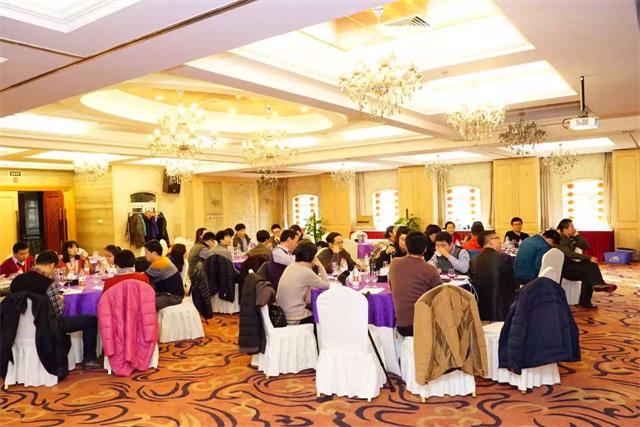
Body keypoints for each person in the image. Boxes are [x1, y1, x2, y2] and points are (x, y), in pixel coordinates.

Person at [10, 251, 101, 368]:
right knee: (91, 320)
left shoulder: (17, 280)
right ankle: (89, 359)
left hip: (20, 325)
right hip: (46, 325)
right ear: (52, 266)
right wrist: (61, 300)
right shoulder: (48, 284)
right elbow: (58, 312)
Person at [389, 231, 442, 337]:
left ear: (406, 247)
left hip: (402, 324)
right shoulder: (430, 269)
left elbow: (391, 286)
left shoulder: (394, 263)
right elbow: (440, 295)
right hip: (423, 325)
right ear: (425, 249)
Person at [556, 219, 614, 309]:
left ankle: (596, 287)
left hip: (571, 264)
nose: (574, 228)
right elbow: (569, 254)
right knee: (588, 269)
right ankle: (591, 294)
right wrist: (588, 257)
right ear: (565, 229)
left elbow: (586, 246)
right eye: (572, 227)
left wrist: (577, 236)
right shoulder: (559, 239)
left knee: (590, 267)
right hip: (563, 268)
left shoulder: (571, 238)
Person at [275, 240, 330, 325]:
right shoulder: (305, 271)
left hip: (283, 314)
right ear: (313, 257)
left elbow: (307, 300)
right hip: (294, 318)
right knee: (325, 317)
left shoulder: (291, 266)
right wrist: (320, 266)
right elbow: (326, 285)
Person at [469, 230, 518, 321]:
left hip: (480, 310)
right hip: (501, 308)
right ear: (491, 241)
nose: (500, 241)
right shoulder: (504, 258)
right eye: (498, 238)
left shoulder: (474, 261)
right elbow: (514, 284)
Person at [144, 240, 184, 310]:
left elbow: (144, 278)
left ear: (154, 253)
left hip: (173, 297)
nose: (145, 255)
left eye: (146, 252)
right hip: (170, 294)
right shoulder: (163, 259)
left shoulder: (159, 264)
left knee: (146, 304)